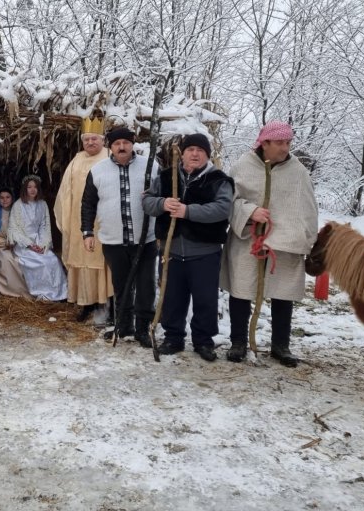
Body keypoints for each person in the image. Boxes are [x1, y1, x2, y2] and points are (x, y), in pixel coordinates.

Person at [220, 121, 318, 367]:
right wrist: (251, 212)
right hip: (248, 239)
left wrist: (299, 238)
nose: (286, 148)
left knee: (283, 294)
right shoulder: (243, 166)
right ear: (264, 143)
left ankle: (280, 346)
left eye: (288, 143)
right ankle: (238, 342)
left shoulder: (298, 171)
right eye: (280, 143)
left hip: (285, 243)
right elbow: (228, 201)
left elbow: (306, 208)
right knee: (241, 290)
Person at [142, 133, 234, 361]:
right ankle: (174, 338)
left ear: (207, 155)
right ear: (182, 154)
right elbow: (146, 202)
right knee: (172, 297)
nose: (195, 154)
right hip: (172, 250)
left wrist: (188, 211)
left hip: (205, 251)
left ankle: (203, 341)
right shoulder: (166, 177)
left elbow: (223, 209)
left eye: (200, 151)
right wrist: (163, 203)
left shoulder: (218, 180)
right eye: (190, 150)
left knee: (205, 299)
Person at [81, 127, 158, 346]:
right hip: (113, 240)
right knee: (121, 285)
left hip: (146, 239)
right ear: (110, 146)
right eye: (117, 144)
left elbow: (163, 198)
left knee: (146, 286)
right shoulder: (98, 171)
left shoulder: (150, 167)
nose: (121, 147)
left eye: (126, 142)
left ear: (133, 143)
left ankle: (143, 329)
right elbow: (88, 204)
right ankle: (124, 326)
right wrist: (87, 232)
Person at [54, 120, 114, 321]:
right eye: (87, 139)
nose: (90, 142)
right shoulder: (77, 160)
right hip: (79, 221)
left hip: (103, 221)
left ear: (102, 140)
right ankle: (87, 303)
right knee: (82, 262)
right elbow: (65, 191)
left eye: (94, 139)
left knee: (103, 261)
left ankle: (106, 303)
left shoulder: (109, 157)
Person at [7, 175, 68, 301]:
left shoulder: (43, 204)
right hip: (24, 244)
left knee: (52, 260)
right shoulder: (18, 205)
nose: (32, 190)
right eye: (29, 187)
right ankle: (45, 294)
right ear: (25, 189)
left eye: (35, 187)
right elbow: (14, 229)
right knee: (41, 262)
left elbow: (45, 226)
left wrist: (42, 244)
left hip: (39, 243)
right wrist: (30, 244)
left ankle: (60, 294)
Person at [0, 187, 32, 299]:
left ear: (12, 199)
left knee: (20, 261)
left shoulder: (18, 212)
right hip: (0, 246)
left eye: (7, 197)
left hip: (16, 244)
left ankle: (23, 291)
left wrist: (14, 241)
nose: (4, 200)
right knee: (7, 260)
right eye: (2, 198)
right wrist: (5, 240)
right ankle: (9, 291)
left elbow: (23, 231)